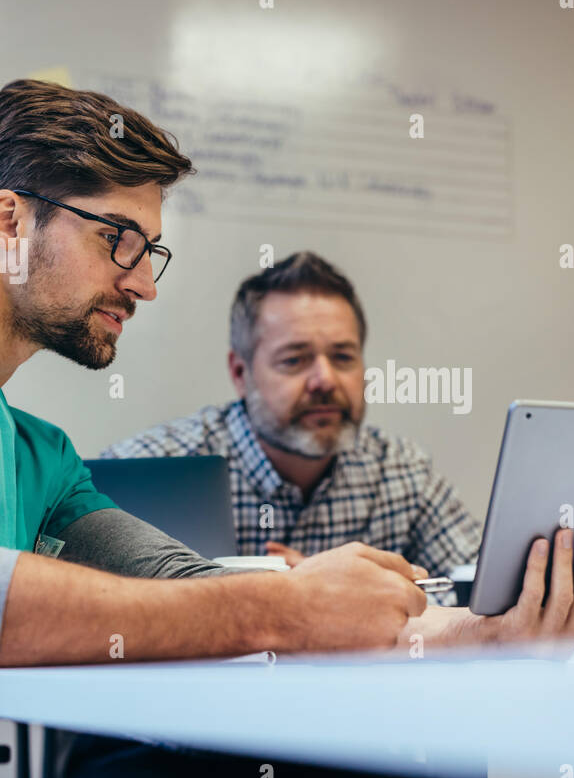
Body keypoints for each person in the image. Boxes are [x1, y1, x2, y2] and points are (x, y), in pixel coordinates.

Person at [0, 79, 574, 778]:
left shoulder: (40, 457)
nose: (143, 282)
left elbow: (190, 591)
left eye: (152, 251)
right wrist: (288, 608)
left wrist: (488, 634)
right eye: (120, 239)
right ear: (6, 220)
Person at [99, 251, 480, 595]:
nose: (325, 380)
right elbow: (99, 611)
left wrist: (353, 594)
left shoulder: (402, 470)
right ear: (240, 372)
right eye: (295, 360)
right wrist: (295, 597)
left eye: (343, 357)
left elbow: (484, 594)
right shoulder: (146, 471)